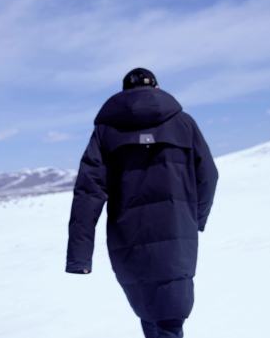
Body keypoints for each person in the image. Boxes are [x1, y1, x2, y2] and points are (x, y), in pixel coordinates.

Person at [65, 67, 219, 338]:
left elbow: (88, 192)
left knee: (149, 308)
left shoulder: (106, 132)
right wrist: (195, 219)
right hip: (177, 230)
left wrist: (79, 257)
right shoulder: (184, 124)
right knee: (170, 315)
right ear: (157, 88)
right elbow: (208, 176)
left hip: (128, 236)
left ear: (124, 93)